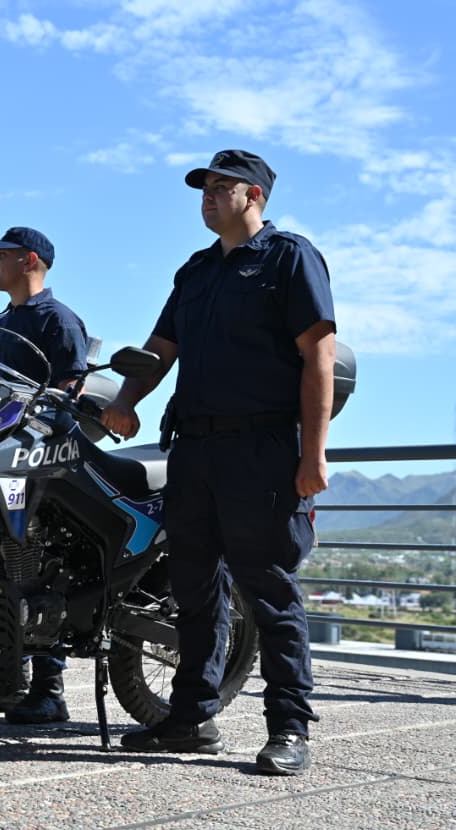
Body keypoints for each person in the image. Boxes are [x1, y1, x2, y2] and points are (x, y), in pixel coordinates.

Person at [100, 149, 336, 776]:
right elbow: (159, 350)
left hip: (262, 450)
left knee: (268, 589)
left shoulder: (290, 258)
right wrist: (124, 402)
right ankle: (191, 716)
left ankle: (289, 727)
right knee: (194, 588)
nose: (206, 194)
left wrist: (313, 454)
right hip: (195, 450)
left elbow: (318, 357)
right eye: (202, 186)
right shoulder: (197, 270)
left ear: (254, 196)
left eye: (220, 185)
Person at [0, 226, 90, 725]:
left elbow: (68, 394)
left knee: (35, 569)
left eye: (0, 256)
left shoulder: (58, 320)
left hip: (33, 472)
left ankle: (49, 690)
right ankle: (7, 680)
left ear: (29, 260)